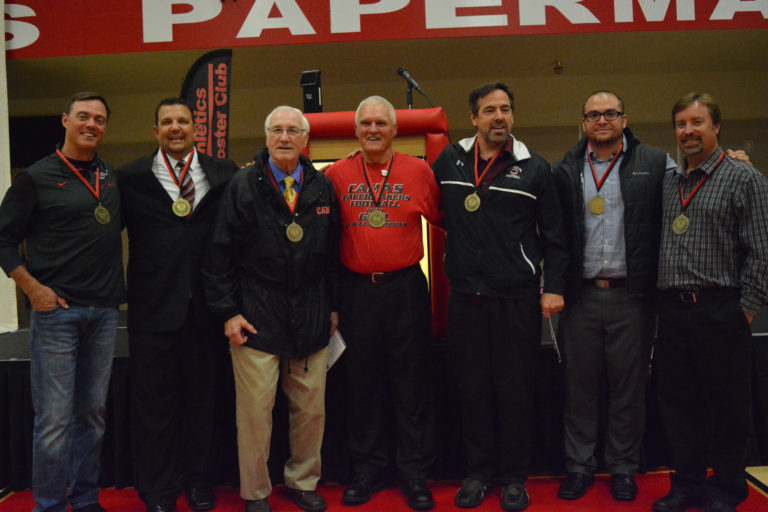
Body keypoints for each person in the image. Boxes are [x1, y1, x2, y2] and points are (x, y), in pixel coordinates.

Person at [431, 82, 568, 511]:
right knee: (472, 391)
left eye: (505, 109)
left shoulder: (534, 167)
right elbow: (419, 198)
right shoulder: (450, 160)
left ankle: (514, 478)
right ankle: (477, 473)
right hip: (466, 297)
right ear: (473, 118)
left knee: (514, 390)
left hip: (516, 298)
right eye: (489, 110)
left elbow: (556, 237)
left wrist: (556, 286)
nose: (499, 117)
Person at [202, 106, 340, 512]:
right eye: (276, 130)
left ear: (304, 139)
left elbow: (333, 255)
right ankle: (256, 492)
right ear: (266, 138)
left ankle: (302, 482)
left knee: (310, 410)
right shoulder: (243, 184)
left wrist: (332, 307)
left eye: (292, 131)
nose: (284, 137)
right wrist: (228, 311)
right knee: (256, 415)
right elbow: (218, 255)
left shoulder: (321, 186)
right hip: (256, 314)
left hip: (312, 314)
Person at [0, 91, 125, 512]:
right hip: (57, 315)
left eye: (100, 119)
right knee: (53, 420)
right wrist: (32, 288)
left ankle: (86, 498)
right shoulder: (35, 177)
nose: (92, 125)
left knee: (92, 415)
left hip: (105, 313)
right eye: (84, 117)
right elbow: (2, 240)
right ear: (65, 120)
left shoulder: (109, 175)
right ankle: (50, 504)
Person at [552, 91, 675, 502]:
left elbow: (693, 180)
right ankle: (579, 468)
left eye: (609, 113)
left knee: (629, 390)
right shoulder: (566, 169)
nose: (601, 120)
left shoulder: (656, 163)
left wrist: (733, 161)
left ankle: (623, 468)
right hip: (581, 297)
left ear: (624, 119)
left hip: (633, 296)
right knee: (578, 391)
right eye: (593, 115)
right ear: (583, 123)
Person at [116, 98, 238, 512]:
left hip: (206, 308)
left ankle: (197, 481)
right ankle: (158, 490)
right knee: (153, 406)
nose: (175, 128)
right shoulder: (130, 178)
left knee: (202, 404)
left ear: (195, 129)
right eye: (166, 122)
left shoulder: (224, 174)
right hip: (152, 309)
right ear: (155, 132)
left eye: (182, 121)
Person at [325, 96, 441, 511]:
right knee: (362, 385)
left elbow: (451, 221)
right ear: (356, 130)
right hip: (356, 290)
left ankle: (413, 473)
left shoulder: (419, 171)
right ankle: (367, 470)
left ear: (395, 130)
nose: (373, 130)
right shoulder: (337, 174)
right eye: (366, 123)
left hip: (406, 287)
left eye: (381, 123)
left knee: (412, 384)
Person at [653, 93, 768, 512]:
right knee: (678, 405)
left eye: (697, 122)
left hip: (723, 308)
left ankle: (728, 488)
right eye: (682, 124)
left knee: (727, 407)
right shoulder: (668, 182)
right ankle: (686, 486)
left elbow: (763, 250)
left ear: (716, 127)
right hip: (674, 311)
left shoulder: (744, 178)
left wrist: (746, 308)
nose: (688, 131)